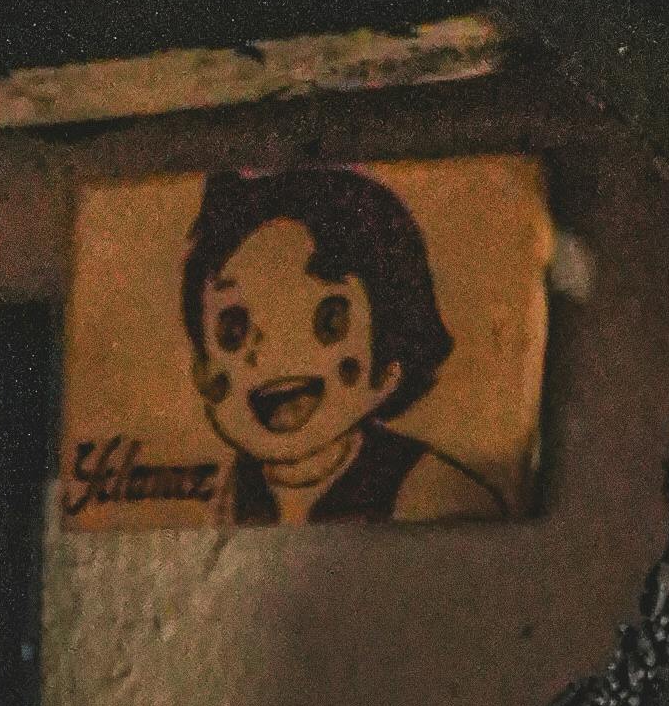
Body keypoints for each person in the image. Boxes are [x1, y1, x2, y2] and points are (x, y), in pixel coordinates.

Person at [177, 160, 506, 526]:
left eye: (329, 321)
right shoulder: (231, 491)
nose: (272, 352)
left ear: (389, 359)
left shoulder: (431, 495)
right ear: (205, 371)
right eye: (234, 329)